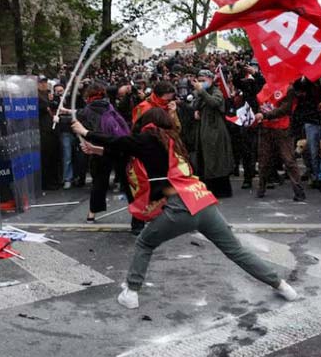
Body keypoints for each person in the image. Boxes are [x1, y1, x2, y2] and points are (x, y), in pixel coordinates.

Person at [70, 108, 298, 309]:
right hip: (203, 201)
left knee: (144, 242)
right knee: (236, 252)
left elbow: (119, 143)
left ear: (149, 123)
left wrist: (86, 131)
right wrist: (96, 149)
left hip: (180, 207)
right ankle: (282, 285)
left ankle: (131, 292)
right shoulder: (171, 141)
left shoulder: (149, 139)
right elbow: (129, 152)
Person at [76, 81, 129, 222]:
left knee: (99, 182)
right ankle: (138, 213)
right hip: (117, 146)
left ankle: (92, 213)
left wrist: (63, 117)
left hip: (98, 149)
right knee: (127, 181)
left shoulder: (88, 110)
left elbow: (79, 120)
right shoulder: (109, 106)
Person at [255, 86, 306, 201]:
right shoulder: (265, 86)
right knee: (263, 159)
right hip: (266, 127)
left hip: (282, 128)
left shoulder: (288, 88)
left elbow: (285, 109)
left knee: (288, 159)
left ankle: (299, 191)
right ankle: (261, 187)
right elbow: (261, 105)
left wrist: (265, 115)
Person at [192, 69, 234, 197]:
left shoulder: (216, 92)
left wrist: (201, 91)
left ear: (210, 80)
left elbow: (214, 102)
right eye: (199, 81)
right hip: (205, 129)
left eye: (203, 81)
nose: (201, 83)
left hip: (215, 129)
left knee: (217, 160)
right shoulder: (202, 92)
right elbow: (196, 105)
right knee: (206, 160)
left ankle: (221, 190)